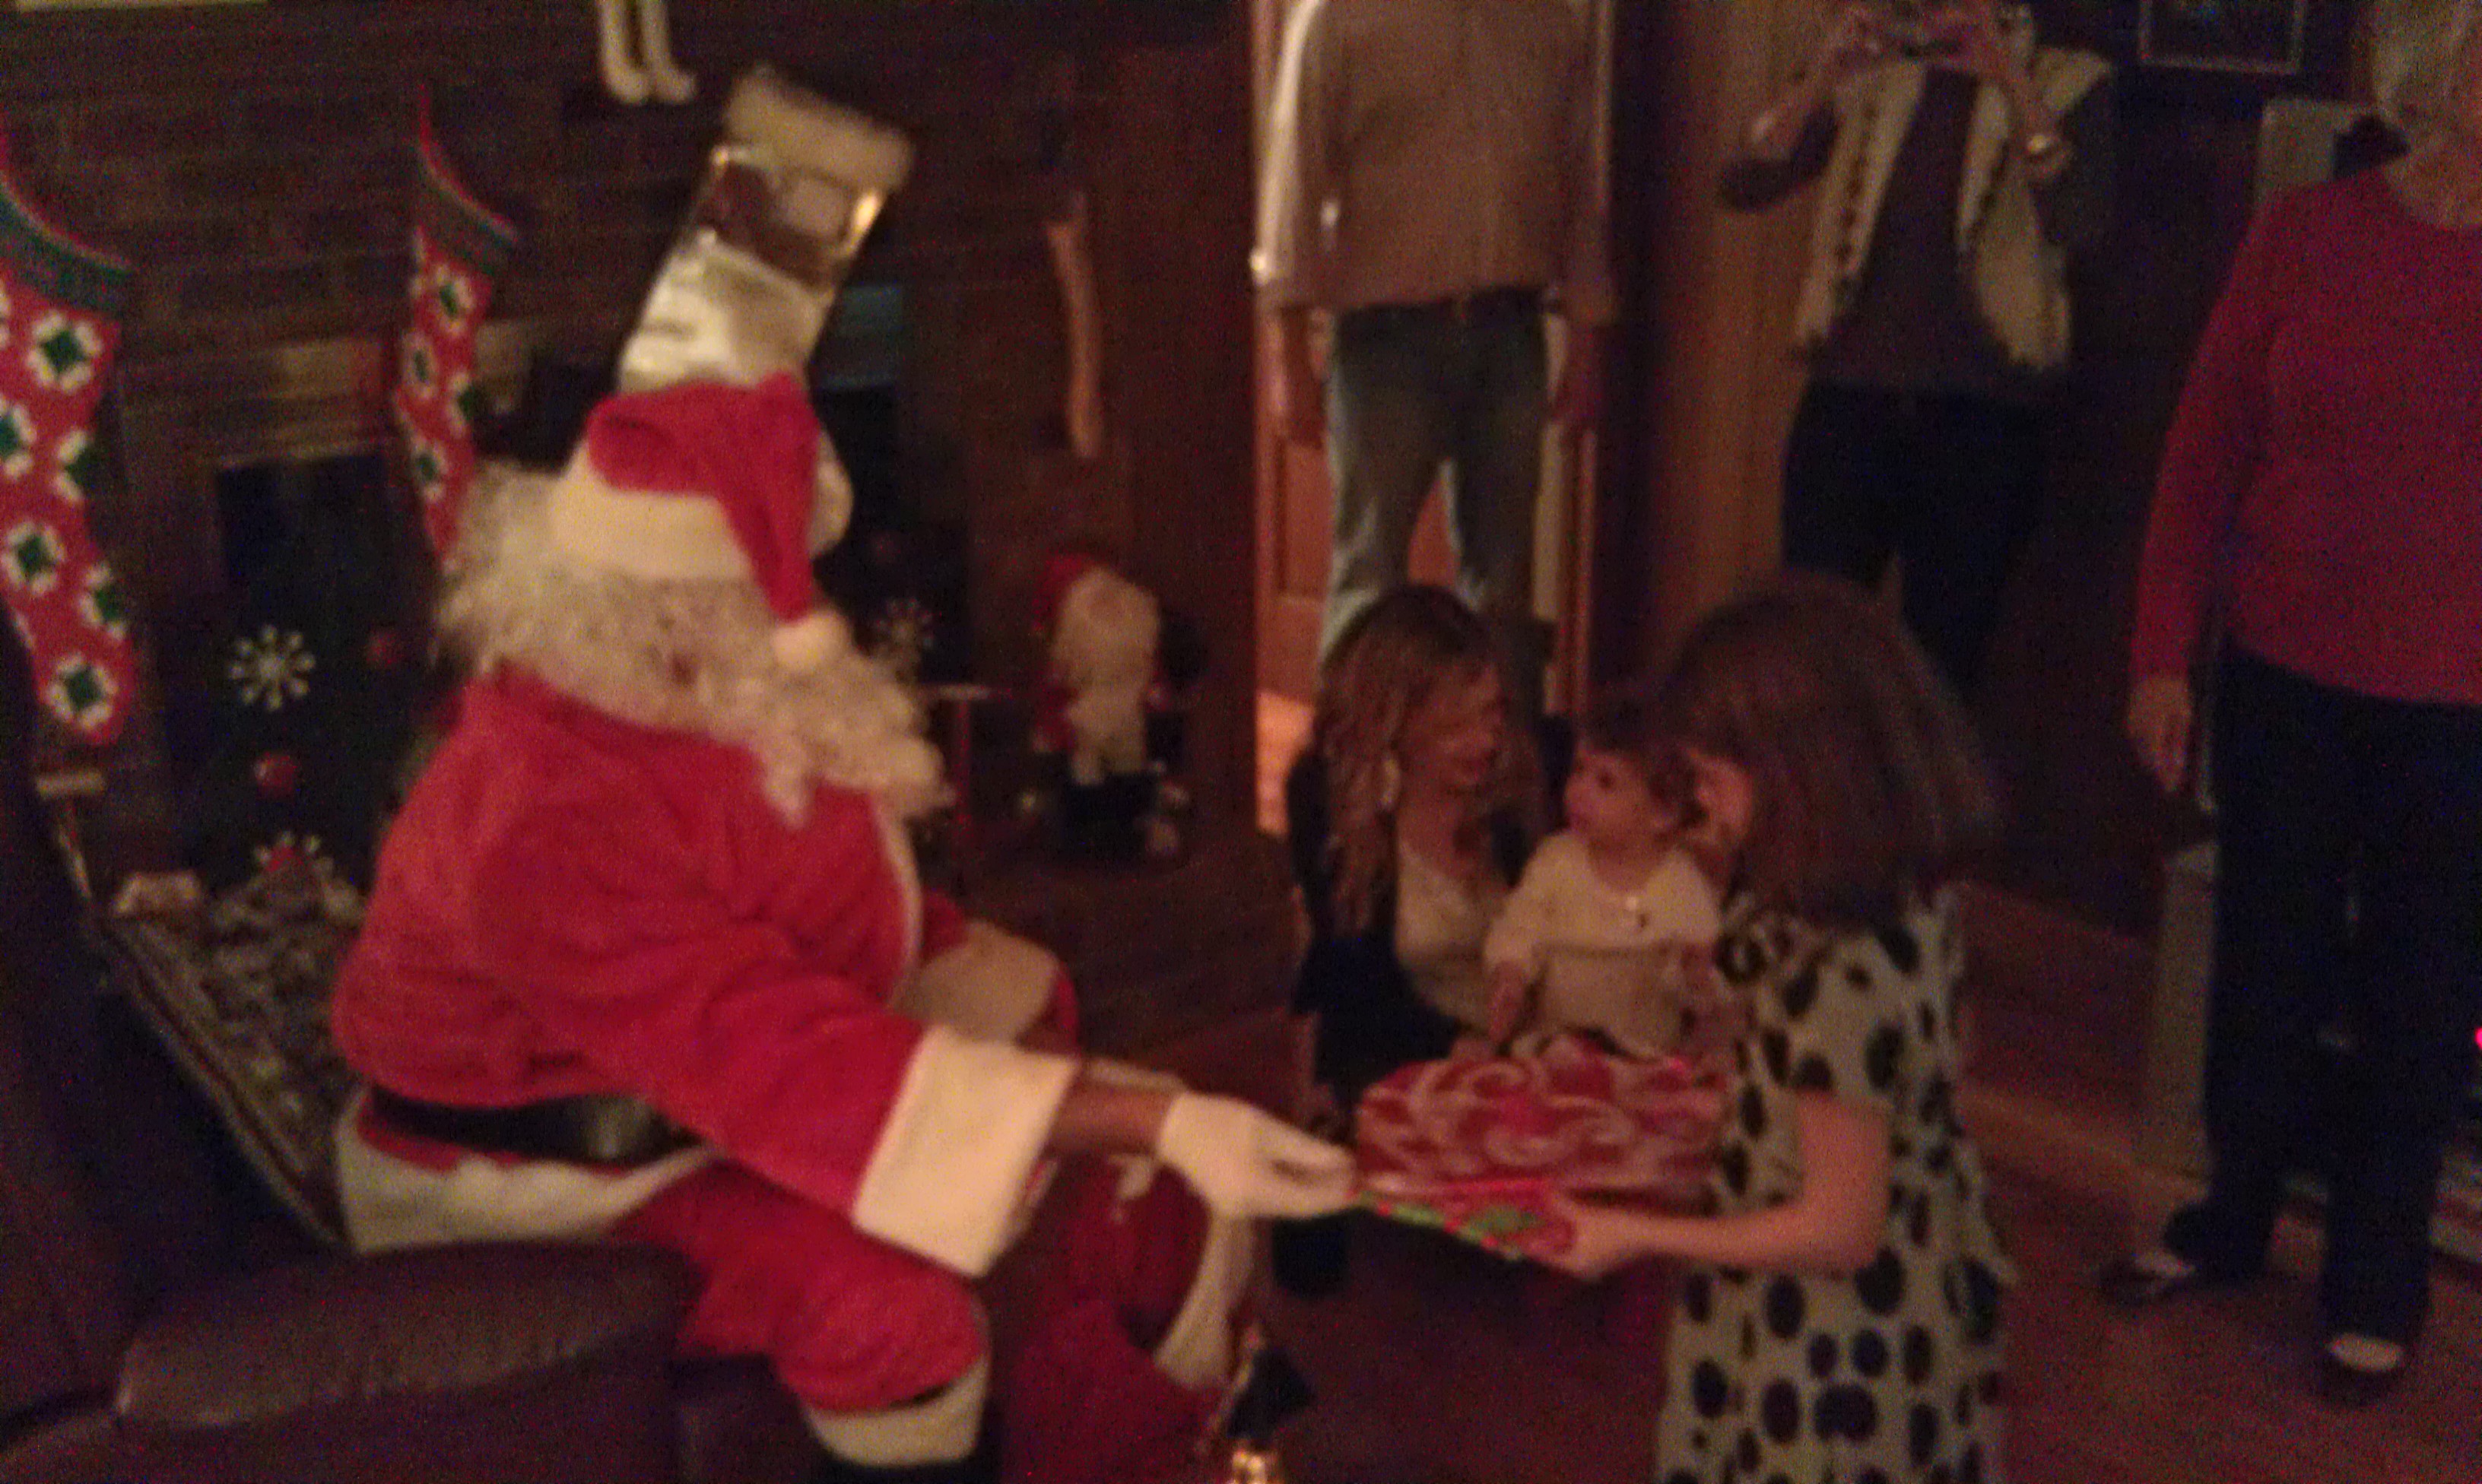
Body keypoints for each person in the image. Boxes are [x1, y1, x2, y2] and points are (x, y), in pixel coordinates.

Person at [324, 373, 1355, 1484]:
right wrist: (1150, 1119)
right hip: (542, 1178)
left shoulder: (677, 700)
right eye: (767, 577)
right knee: (889, 1316)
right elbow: (780, 1057)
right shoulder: (535, 816)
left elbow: (836, 928)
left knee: (1133, 1188)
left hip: (700, 1099)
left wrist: (1070, 1078)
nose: (802, 607)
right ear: (667, 597)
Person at [2102, 0, 2482, 1406]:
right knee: (2260, 966)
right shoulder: (2307, 232)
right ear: (2447, 67)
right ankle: (2228, 1215)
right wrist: (2161, 654)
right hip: (2281, 668)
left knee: (2419, 997)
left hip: (2459, 706)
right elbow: (2201, 453)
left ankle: (2374, 1284)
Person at [1541, 575, 2013, 1484]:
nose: (1705, 807)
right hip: (1919, 1291)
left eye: (1712, 780)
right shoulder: (1912, 894)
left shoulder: (1832, 970)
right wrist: (1743, 1096)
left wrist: (1638, 1232)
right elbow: (1920, 1071)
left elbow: (1839, 1228)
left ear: (1800, 774)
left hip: (1829, 1347)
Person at [1719, 0, 2112, 696]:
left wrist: (2008, 79)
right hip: (1850, 399)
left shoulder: (2068, 80)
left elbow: (2079, 222)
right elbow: (1744, 182)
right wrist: (1825, 73)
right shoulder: (1873, 75)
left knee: (1943, 668)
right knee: (1809, 647)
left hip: (1984, 413)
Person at [1253, 0, 1614, 712]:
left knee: (1504, 588)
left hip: (1511, 335)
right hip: (1385, 342)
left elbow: (1579, 185)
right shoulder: (1338, 18)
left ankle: (1509, 769)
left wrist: (1587, 341)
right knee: (1369, 578)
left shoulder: (1552, 21)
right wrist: (1286, 352)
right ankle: (1344, 769)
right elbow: (1294, 183)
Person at [1273, 585, 1547, 1294]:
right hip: (1403, 1046)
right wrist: (1459, 1048)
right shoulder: (1335, 800)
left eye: (1491, 714)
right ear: (1393, 723)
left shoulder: (1520, 782)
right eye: (1456, 726)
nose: (1485, 742)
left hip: (1527, 1041)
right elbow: (1353, 984)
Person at [1482, 689, 1722, 1058]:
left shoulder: (1683, 886)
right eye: (1578, 770)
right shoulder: (1556, 863)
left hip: (1647, 1059)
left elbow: (1702, 981)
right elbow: (1519, 928)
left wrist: (1696, 979)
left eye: (1605, 782)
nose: (1579, 791)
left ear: (1662, 813)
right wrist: (1510, 976)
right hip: (1559, 1052)